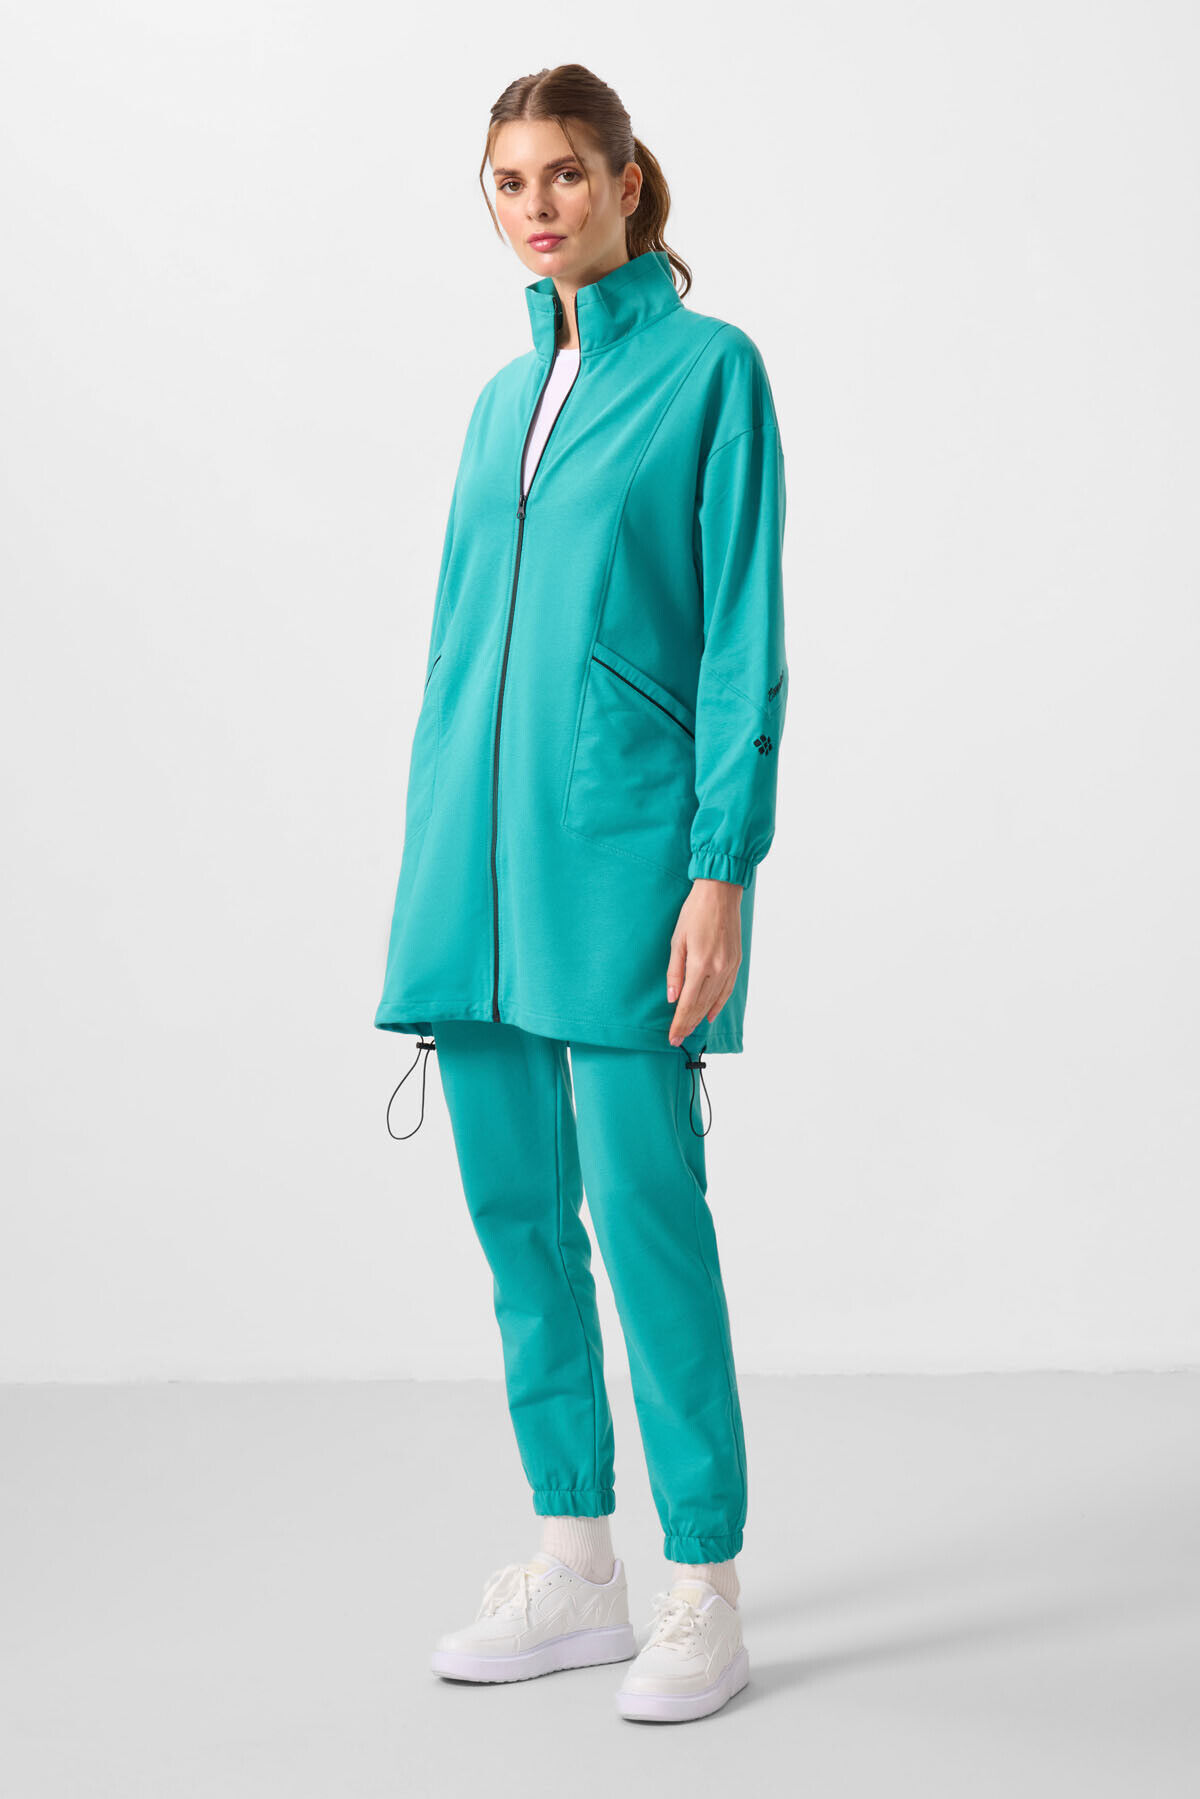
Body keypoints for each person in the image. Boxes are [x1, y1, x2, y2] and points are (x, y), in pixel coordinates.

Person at [376, 63, 787, 1724]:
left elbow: (743, 638)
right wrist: (427, 863)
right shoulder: (500, 401)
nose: (535, 205)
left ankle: (704, 1585)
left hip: (623, 860)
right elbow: (454, 647)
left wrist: (721, 867)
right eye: (507, 180)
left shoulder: (711, 372)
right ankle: (576, 1564)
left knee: (647, 1214)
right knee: (520, 1225)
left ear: (627, 181)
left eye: (563, 173)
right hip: (472, 878)